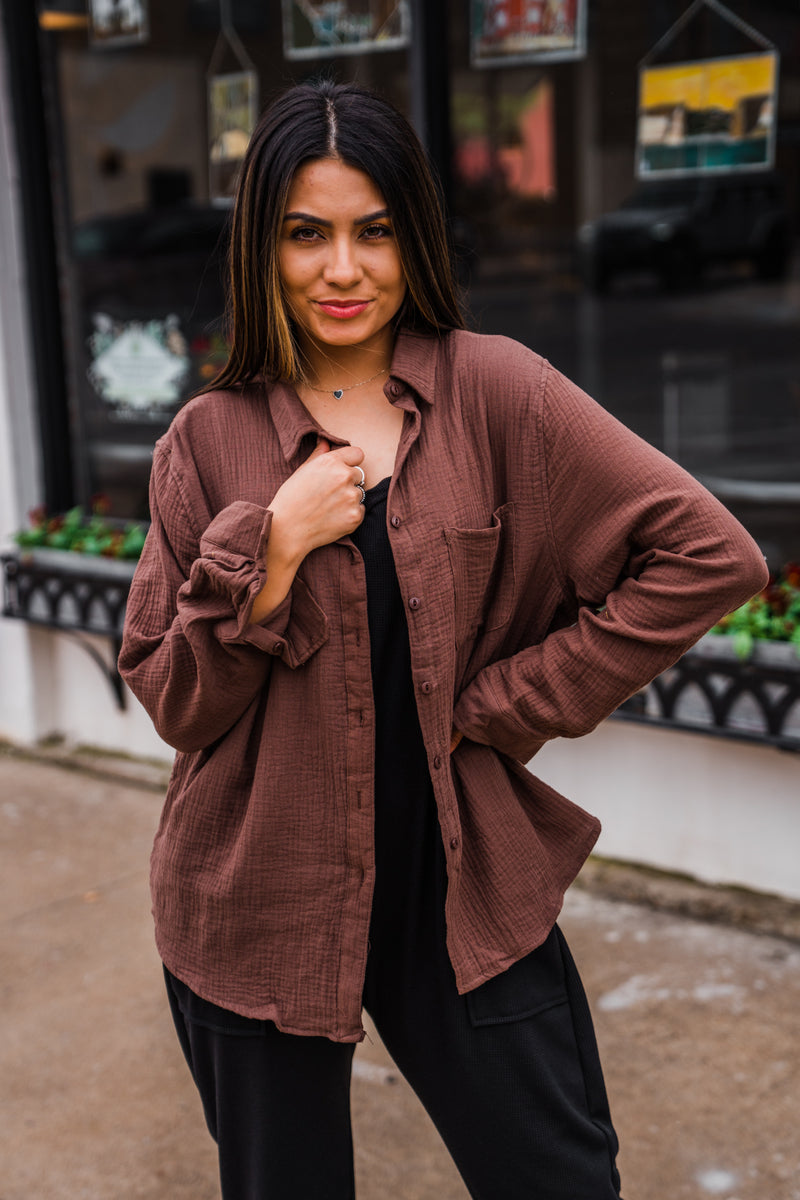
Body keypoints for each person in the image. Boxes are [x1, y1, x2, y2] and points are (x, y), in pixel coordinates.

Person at [119, 79, 768, 1200]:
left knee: (561, 1180)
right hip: (257, 896)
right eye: (304, 234)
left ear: (411, 235)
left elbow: (708, 557)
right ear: (259, 250)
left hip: (457, 887)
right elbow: (176, 703)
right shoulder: (207, 440)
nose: (342, 269)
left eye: (372, 232)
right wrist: (268, 554)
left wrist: (508, 703)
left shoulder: (496, 394)